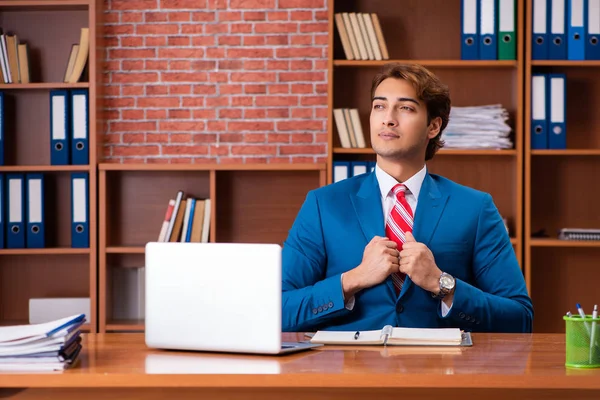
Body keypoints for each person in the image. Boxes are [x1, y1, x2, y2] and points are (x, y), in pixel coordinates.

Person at [281, 63, 533, 333]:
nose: (388, 118)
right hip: (349, 370)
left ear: (433, 126)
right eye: (379, 106)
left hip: (441, 371)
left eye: (405, 108)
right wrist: (353, 279)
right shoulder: (324, 205)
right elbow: (277, 310)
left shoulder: (475, 208)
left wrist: (441, 284)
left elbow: (520, 318)